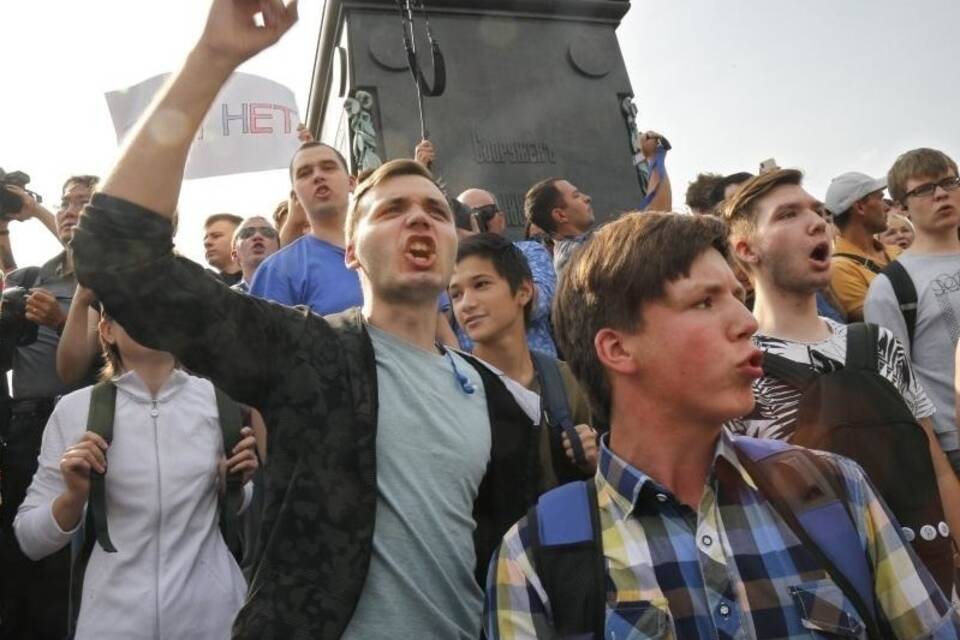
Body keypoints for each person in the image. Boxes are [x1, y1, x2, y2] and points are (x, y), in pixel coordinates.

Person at [70, 4, 549, 637]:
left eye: (434, 210)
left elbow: (511, 564)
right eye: (392, 209)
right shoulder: (307, 352)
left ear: (454, 246)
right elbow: (117, 257)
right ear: (351, 252)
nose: (418, 218)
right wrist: (213, 58)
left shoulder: (503, 404)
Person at [485, 211, 960, 639]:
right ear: (618, 349)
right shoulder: (534, 558)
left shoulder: (838, 490)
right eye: (704, 303)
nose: (745, 321)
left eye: (737, 295)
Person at [723, 169, 960, 585]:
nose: (817, 221)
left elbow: (935, 466)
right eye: (787, 215)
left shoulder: (878, 342)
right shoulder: (736, 367)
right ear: (746, 249)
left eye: (817, 211)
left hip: (934, 591)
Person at [15, 313, 258, 639]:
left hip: (215, 620)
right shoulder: (75, 410)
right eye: (132, 304)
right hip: (112, 623)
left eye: (161, 302)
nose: (150, 310)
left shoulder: (220, 404)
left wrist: (233, 486)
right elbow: (31, 540)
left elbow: (240, 504)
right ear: (107, 330)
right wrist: (73, 498)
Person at [0, 174, 101, 640]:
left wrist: (63, 320)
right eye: (64, 202)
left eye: (84, 202)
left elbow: (111, 361)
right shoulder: (32, 278)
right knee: (22, 540)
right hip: (25, 424)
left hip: (84, 422)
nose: (69, 209)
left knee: (69, 542)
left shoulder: (106, 278)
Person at [448, 233, 596, 488]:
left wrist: (592, 461)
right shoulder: (453, 387)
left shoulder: (564, 381)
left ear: (524, 291)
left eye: (481, 284)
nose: (466, 304)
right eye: (456, 295)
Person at [865, 148, 960, 472]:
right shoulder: (891, 286)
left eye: (949, 182)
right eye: (924, 189)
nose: (942, 194)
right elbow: (897, 389)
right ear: (902, 206)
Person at [248, 141, 363, 314]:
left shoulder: (392, 246)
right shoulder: (277, 271)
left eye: (328, 167)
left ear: (351, 183)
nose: (318, 176)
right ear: (295, 195)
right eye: (305, 173)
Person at [457, 188, 558, 356]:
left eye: (485, 213)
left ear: (501, 219)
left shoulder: (528, 251)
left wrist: (481, 250)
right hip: (475, 374)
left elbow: (539, 303)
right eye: (468, 216)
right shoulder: (450, 264)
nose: (478, 221)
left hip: (536, 371)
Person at [824, 171, 898, 322]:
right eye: (880, 198)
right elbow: (883, 323)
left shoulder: (896, 251)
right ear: (860, 207)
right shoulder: (840, 268)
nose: (886, 207)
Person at [524, 177, 594, 274]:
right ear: (560, 215)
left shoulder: (584, 246)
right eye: (576, 196)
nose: (587, 198)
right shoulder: (574, 257)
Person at [230, 216, 280, 293]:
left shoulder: (297, 293)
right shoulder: (225, 299)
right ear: (235, 255)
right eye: (246, 233)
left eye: (268, 232)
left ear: (280, 251)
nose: (257, 236)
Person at [634, 130, 672, 211]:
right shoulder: (642, 156)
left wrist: (658, 136)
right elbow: (634, 160)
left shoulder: (659, 150)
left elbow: (668, 146)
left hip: (658, 173)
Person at [203, 213, 244, 285]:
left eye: (216, 236)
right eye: (205, 238)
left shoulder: (264, 281)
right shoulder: (205, 284)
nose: (206, 242)